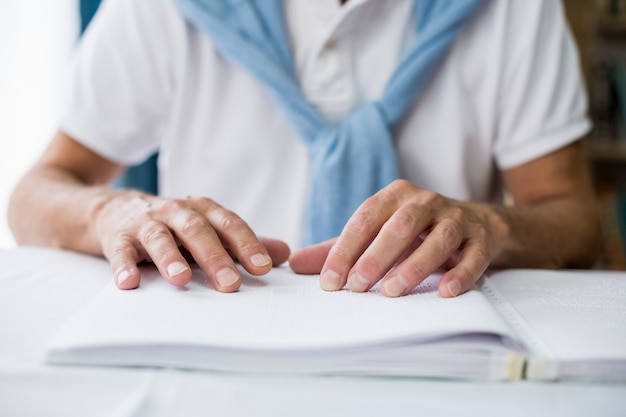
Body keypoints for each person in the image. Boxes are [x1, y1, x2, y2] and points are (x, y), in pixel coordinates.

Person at [8, 0, 601, 299]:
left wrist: (491, 224)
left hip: (438, 349)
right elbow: (35, 194)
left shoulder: (515, 9)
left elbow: (576, 220)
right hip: (211, 353)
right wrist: (115, 212)